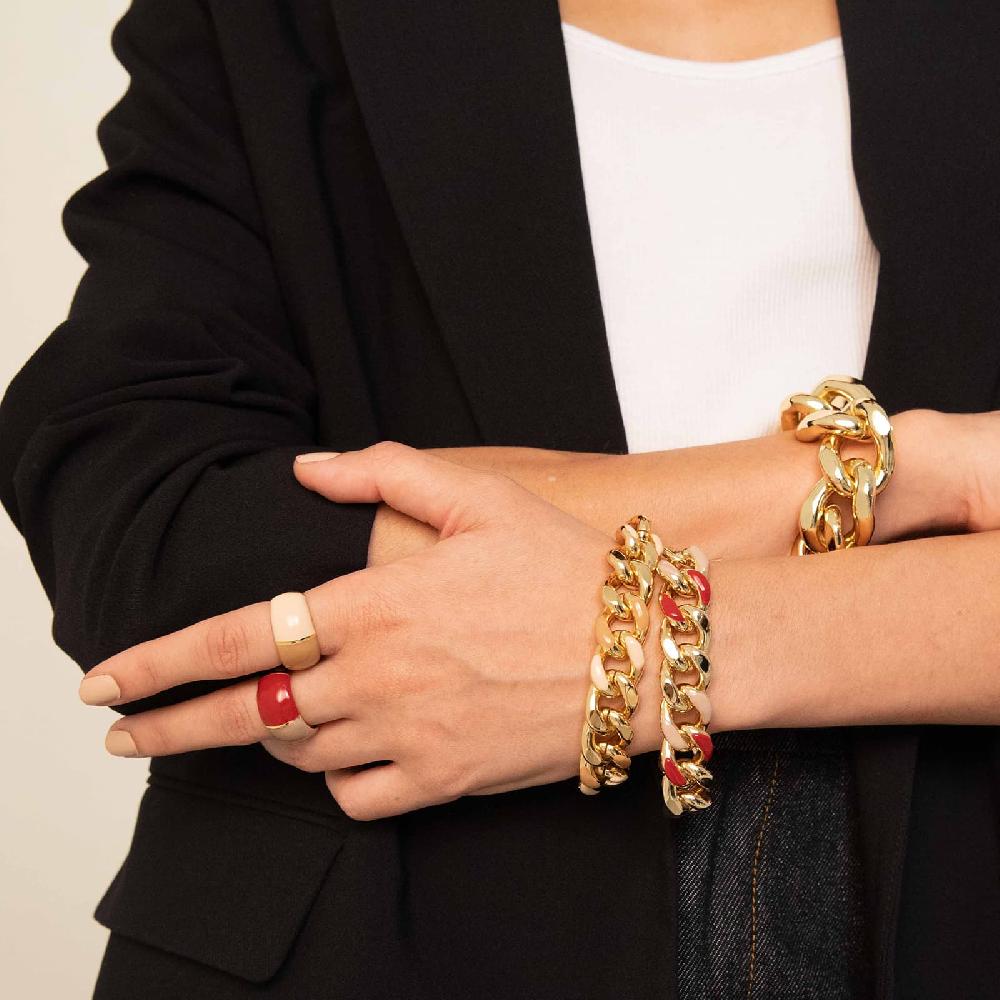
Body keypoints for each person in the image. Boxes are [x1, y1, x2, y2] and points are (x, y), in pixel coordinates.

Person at [1, 0, 999, 997]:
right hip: (383, 935)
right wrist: (905, 472)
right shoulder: (272, 20)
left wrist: (663, 647)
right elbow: (142, 527)